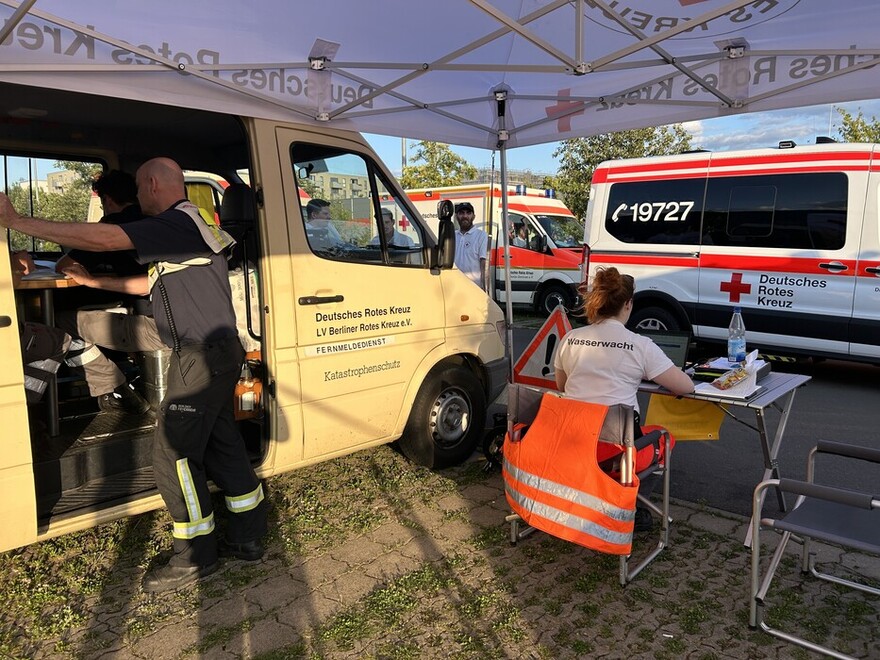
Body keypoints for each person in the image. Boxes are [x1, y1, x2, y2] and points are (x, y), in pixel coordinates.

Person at [0, 157, 267, 593]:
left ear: (152, 183)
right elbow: (151, 285)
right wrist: (92, 284)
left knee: (172, 455)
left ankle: (195, 558)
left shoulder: (174, 223)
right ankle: (248, 536)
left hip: (197, 358)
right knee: (223, 443)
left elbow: (105, 238)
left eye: (142, 190)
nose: (139, 199)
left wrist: (14, 220)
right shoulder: (191, 225)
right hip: (218, 354)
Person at [553, 266, 694, 531]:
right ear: (628, 304)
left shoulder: (570, 339)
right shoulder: (640, 345)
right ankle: (633, 507)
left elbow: (562, 386)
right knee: (663, 436)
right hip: (617, 454)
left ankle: (598, 497)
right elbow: (685, 386)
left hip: (572, 444)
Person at [10, 249, 148, 414]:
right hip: (163, 326)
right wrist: (14, 265)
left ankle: (112, 388)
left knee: (59, 328)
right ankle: (20, 412)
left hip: (156, 327)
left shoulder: (113, 232)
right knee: (56, 339)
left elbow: (64, 265)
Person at [453, 201, 488, 288]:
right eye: (461, 213)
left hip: (474, 287)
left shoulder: (481, 235)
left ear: (473, 216)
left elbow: (484, 264)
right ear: (457, 216)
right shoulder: (452, 236)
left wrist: (485, 288)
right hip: (455, 285)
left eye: (468, 213)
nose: (465, 216)